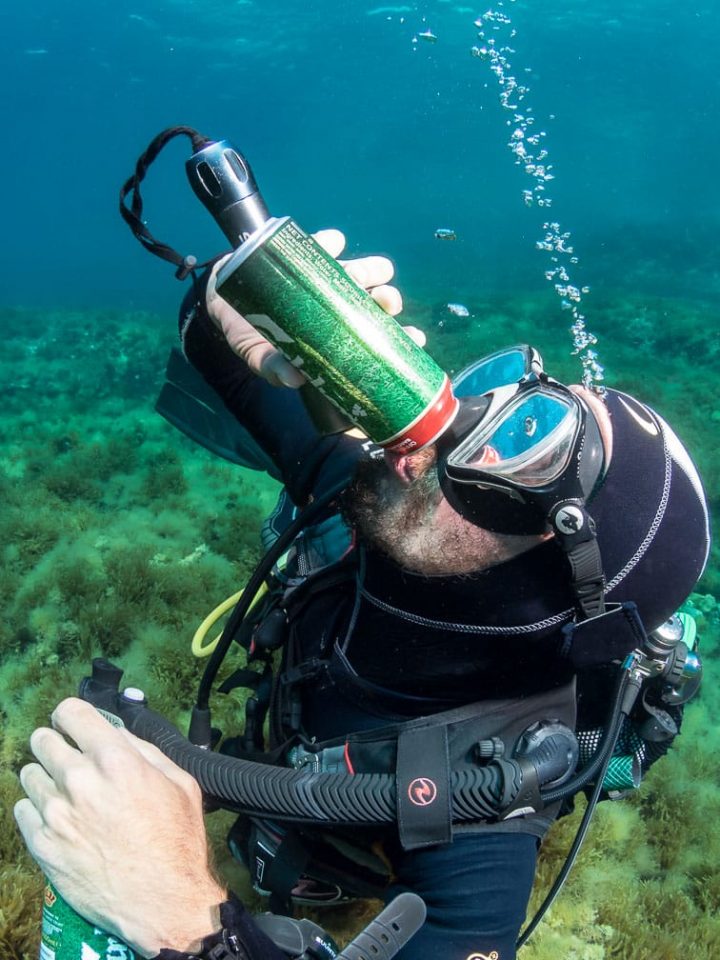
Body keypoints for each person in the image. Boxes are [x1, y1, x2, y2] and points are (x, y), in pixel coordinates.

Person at [15, 231, 710, 960]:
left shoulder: (489, 822)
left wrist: (185, 923)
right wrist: (242, 297)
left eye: (528, 443)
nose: (447, 431)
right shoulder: (391, 505)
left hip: (374, 815)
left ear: (558, 581)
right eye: (513, 397)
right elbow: (209, 333)